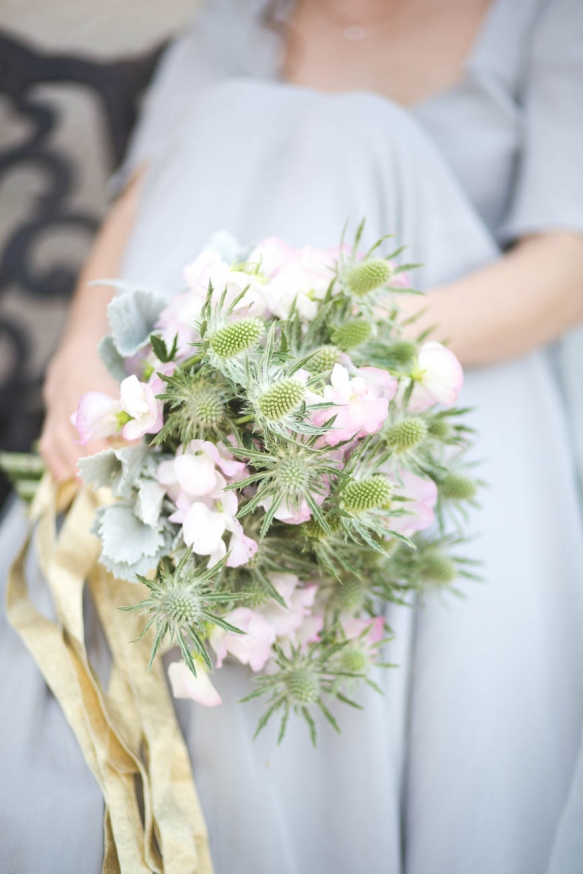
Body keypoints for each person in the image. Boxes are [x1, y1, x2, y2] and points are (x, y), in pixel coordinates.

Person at [2, 0, 583, 871]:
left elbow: (563, 272)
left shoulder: (549, 22)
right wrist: (81, 367)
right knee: (237, 112)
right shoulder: (229, 30)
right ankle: (160, 598)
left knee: (353, 134)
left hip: (449, 388)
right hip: (201, 393)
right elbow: (141, 211)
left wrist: (328, 351)